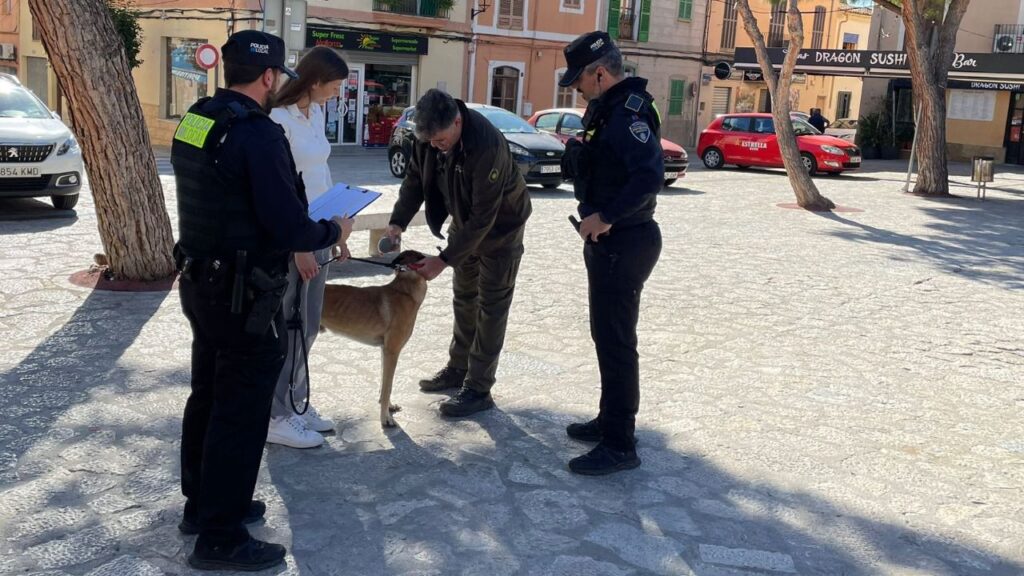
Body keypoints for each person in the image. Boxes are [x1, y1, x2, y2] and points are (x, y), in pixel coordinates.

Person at [170, 30, 350, 571]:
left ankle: (204, 505)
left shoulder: (197, 119)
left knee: (208, 394)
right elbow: (288, 224)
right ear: (270, 76)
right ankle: (221, 538)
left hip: (200, 281)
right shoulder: (259, 134)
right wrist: (332, 230)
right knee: (241, 411)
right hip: (243, 294)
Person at [386, 89, 531, 418]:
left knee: (491, 306)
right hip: (464, 223)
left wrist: (443, 260)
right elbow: (414, 180)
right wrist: (397, 222)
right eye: (430, 141)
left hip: (501, 229)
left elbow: (484, 218)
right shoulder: (428, 136)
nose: (435, 146)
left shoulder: (486, 146)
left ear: (456, 121)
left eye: (440, 140)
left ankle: (478, 388)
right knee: (464, 298)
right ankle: (458, 368)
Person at [558, 31, 663, 476]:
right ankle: (609, 420)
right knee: (606, 337)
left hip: (625, 241)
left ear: (599, 74)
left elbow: (649, 176)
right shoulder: (610, 109)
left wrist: (607, 217)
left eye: (580, 81)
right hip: (611, 243)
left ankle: (620, 444)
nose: (577, 90)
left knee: (617, 342)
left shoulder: (627, 114)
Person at [266, 47, 352, 449]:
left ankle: (297, 402)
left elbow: (320, 172)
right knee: (290, 325)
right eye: (334, 86)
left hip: (320, 232)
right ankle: (277, 415)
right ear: (315, 81)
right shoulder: (278, 120)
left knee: (310, 323)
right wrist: (299, 245)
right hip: (296, 238)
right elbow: (281, 188)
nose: (337, 93)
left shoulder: (315, 113)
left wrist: (339, 230)